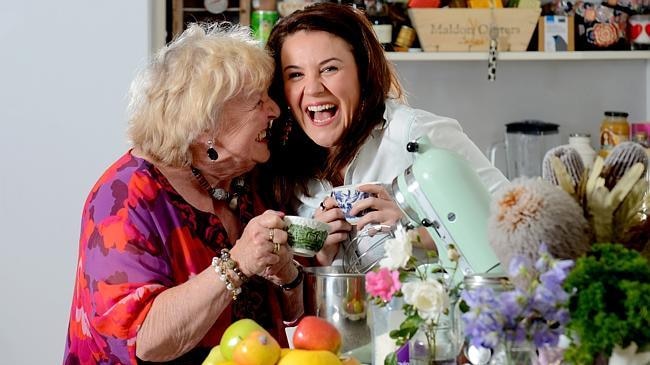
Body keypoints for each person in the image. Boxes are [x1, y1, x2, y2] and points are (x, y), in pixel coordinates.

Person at [63, 23, 303, 365]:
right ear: (206, 123)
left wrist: (287, 274)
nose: (275, 111)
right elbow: (144, 339)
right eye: (258, 101)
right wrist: (238, 263)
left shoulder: (245, 181)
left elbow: (290, 315)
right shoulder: (123, 198)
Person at [261, 3, 508, 266]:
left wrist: (416, 232)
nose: (312, 88)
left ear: (363, 72)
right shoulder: (285, 168)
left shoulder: (415, 134)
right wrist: (321, 256)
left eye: (329, 69)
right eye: (296, 74)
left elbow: (520, 228)